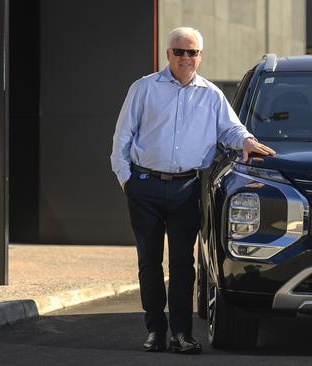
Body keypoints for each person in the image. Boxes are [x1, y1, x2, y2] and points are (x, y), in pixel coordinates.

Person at [110, 27, 275, 354]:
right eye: (179, 52)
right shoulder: (144, 89)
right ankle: (155, 331)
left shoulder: (211, 94)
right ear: (168, 54)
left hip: (186, 188)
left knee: (184, 264)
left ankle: (181, 334)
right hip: (144, 187)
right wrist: (127, 181)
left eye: (192, 52)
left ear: (200, 55)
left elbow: (230, 128)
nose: (186, 58)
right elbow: (121, 140)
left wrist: (246, 141)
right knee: (149, 262)